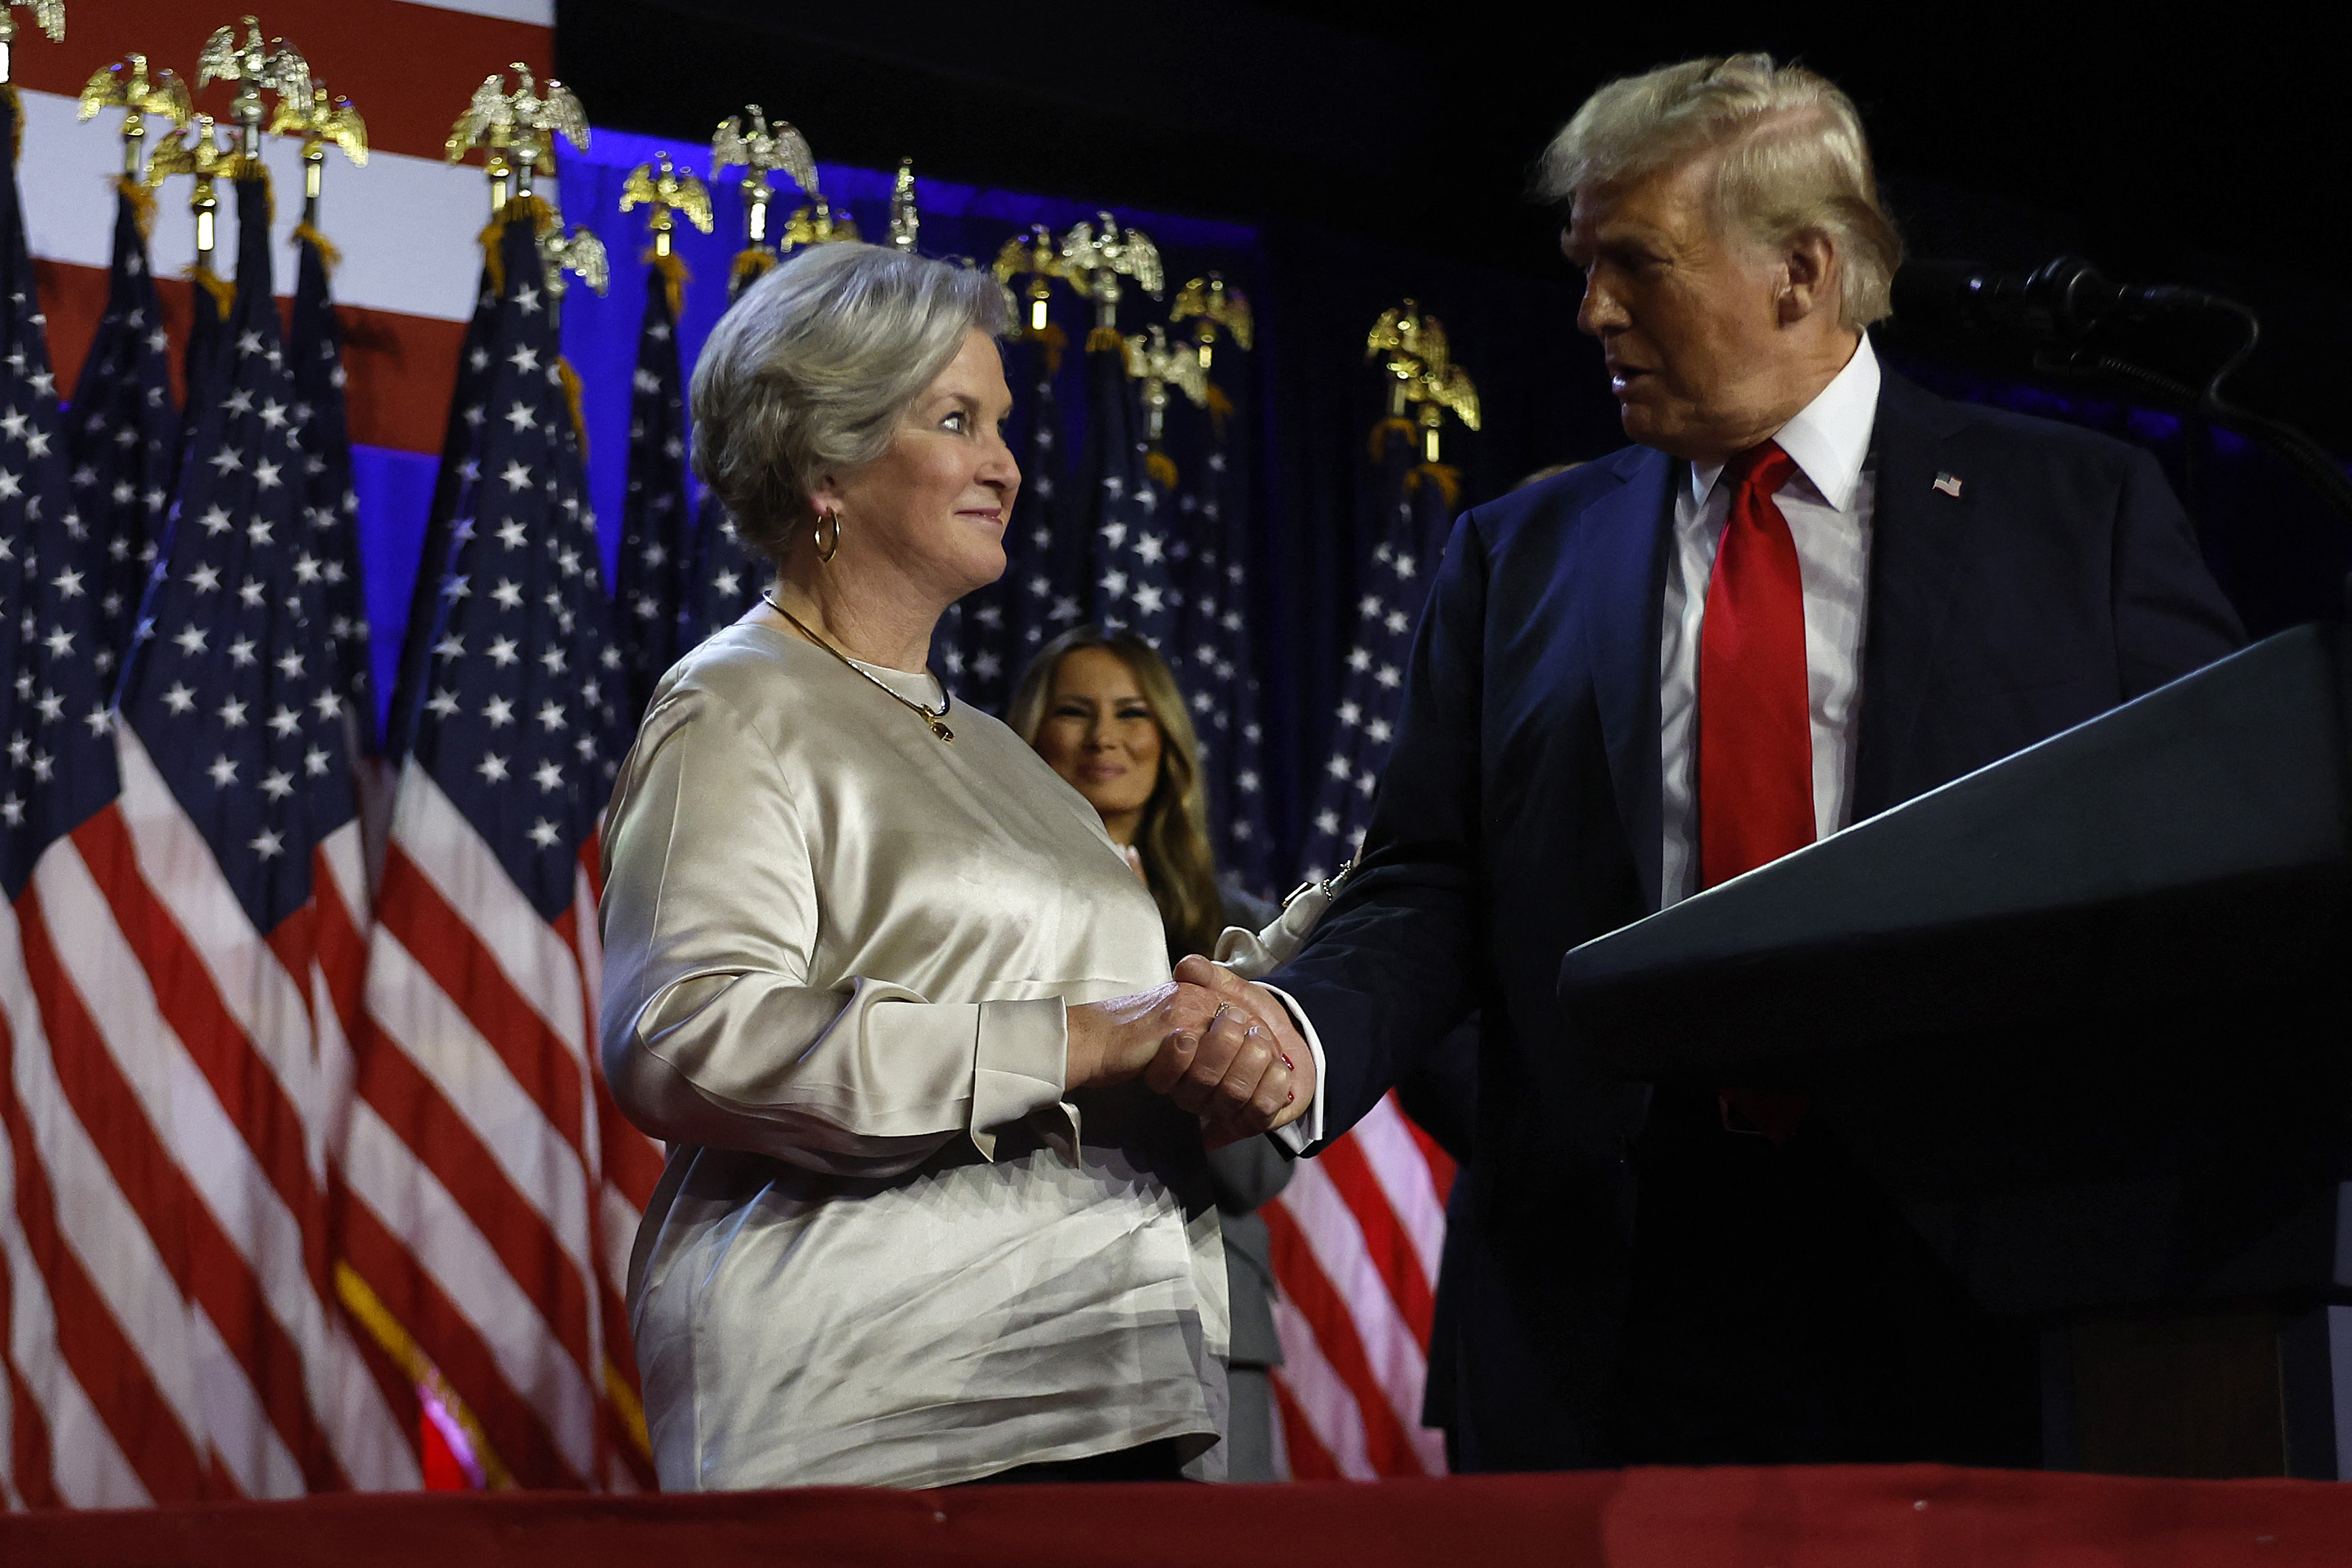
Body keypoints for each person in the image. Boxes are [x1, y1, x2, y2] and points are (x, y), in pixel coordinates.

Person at [1265, 54, 2245, 1471]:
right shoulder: (1515, 554)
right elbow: (1432, 879)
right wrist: (1344, 1047)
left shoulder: (2079, 515)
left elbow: (2201, 867)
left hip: (1978, 1278)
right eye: (1582, 263)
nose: (1592, 308)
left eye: (1636, 263)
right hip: (1606, 1293)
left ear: (1802, 269)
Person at [597, 242, 1316, 1491]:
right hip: (880, 1412)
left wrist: (1219, 1026)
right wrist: (1083, 1039)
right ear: (826, 461)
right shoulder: (733, 705)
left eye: (1003, 423)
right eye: (955, 420)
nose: (1005, 463)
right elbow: (680, 1036)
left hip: (1117, 1394)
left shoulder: (1000, 752)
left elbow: (1104, 1021)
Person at [1009, 626, 1294, 1482]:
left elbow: (1258, 1176)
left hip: (1210, 1316)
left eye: (1131, 712)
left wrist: (1149, 981)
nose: (1104, 736)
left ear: (1166, 739)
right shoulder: (980, 918)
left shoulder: (1238, 928)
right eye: (1074, 710)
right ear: (1030, 736)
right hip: (1025, 1310)